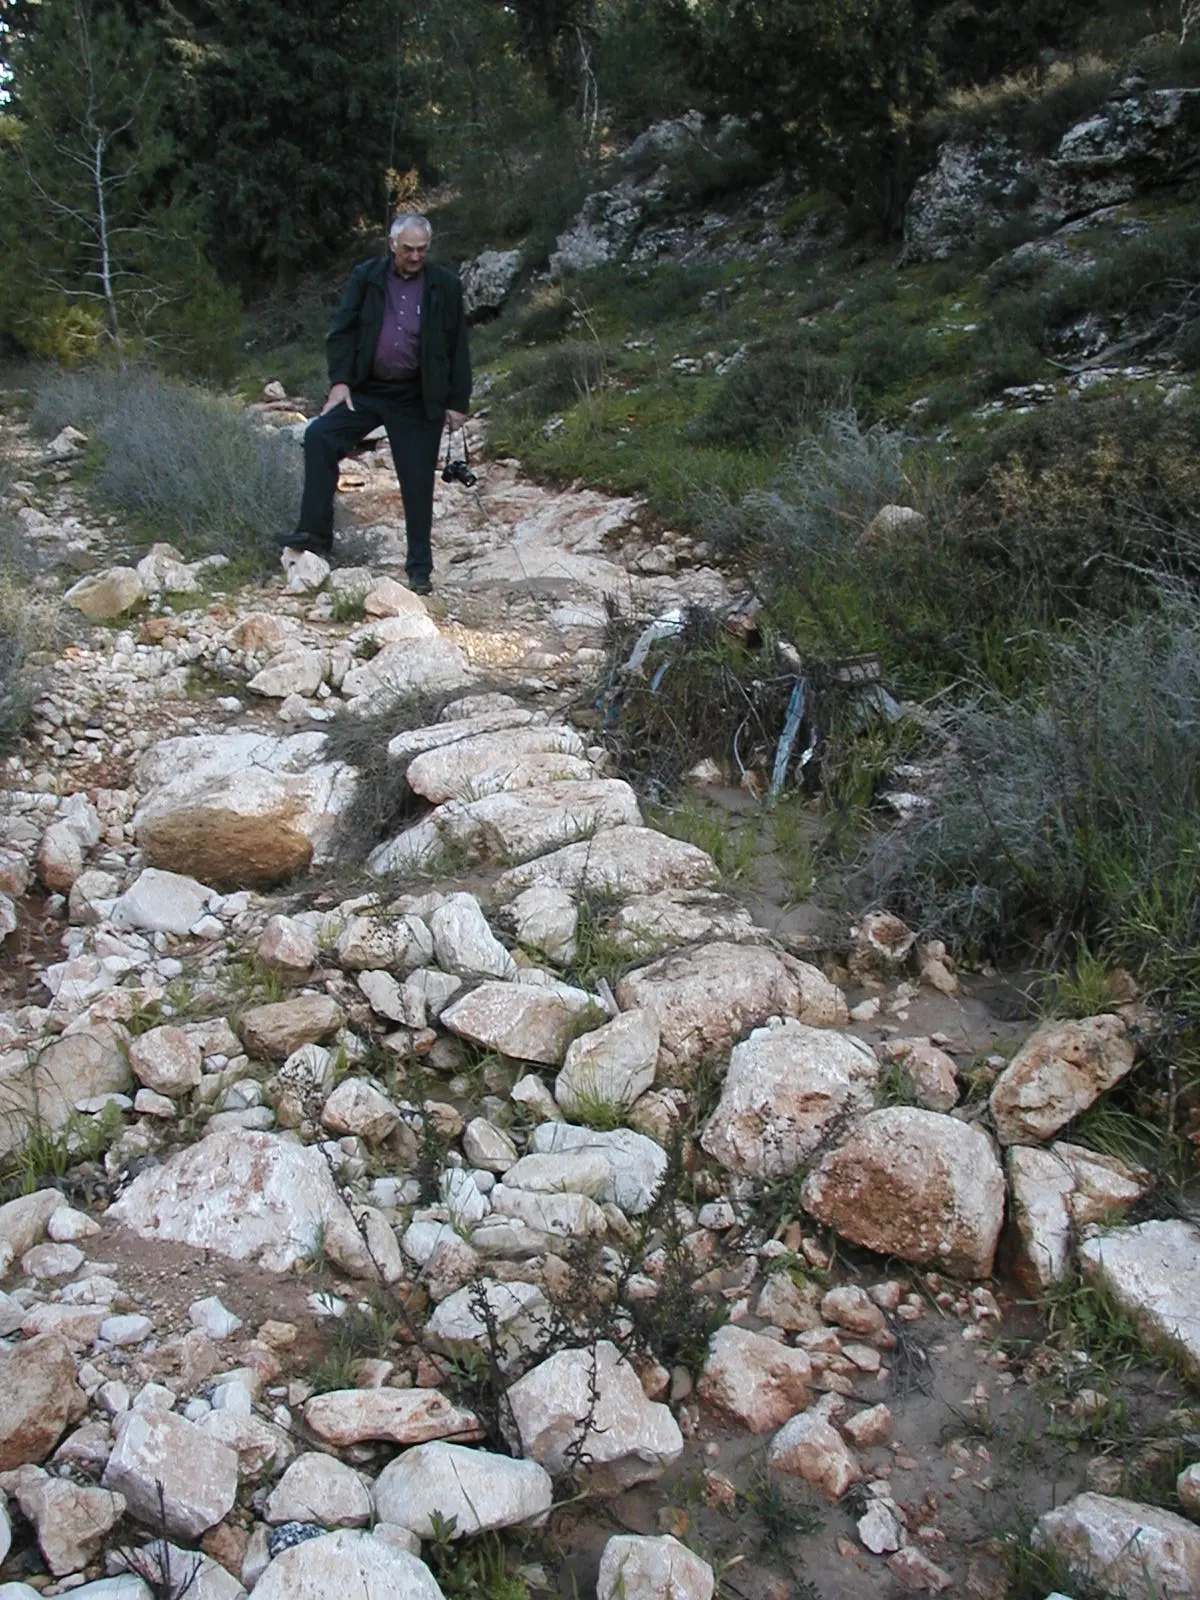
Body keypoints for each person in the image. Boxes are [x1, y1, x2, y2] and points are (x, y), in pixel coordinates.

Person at [279, 213, 471, 594]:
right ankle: (314, 534)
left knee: (417, 483)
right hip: (368, 389)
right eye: (408, 249)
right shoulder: (366, 277)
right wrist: (340, 382)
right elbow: (342, 331)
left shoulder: (444, 285)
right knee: (319, 436)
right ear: (391, 245)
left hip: (418, 397)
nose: (415, 257)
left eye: (422, 250)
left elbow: (458, 345)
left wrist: (457, 402)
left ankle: (419, 571)